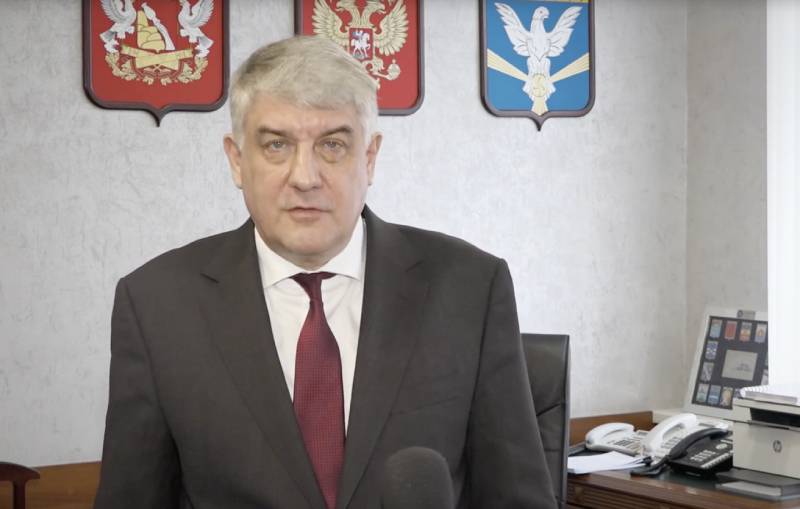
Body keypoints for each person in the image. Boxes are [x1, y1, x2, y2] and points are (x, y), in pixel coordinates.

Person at [94, 35, 557, 509]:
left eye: (332, 145)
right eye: (276, 145)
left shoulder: (470, 289)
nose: (305, 177)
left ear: (369, 158)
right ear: (237, 161)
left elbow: (518, 499)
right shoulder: (156, 305)